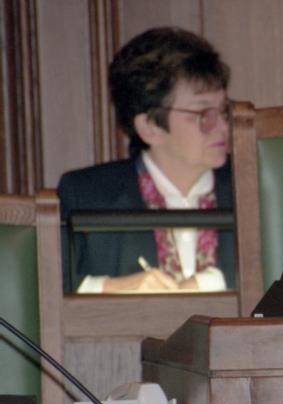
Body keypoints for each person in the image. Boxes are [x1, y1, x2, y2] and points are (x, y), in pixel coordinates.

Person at [58, 27, 235, 293]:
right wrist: (111, 288)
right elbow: (49, 288)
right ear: (150, 126)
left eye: (224, 110)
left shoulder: (256, 188)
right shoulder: (86, 196)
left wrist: (210, 282)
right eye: (203, 114)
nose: (222, 126)